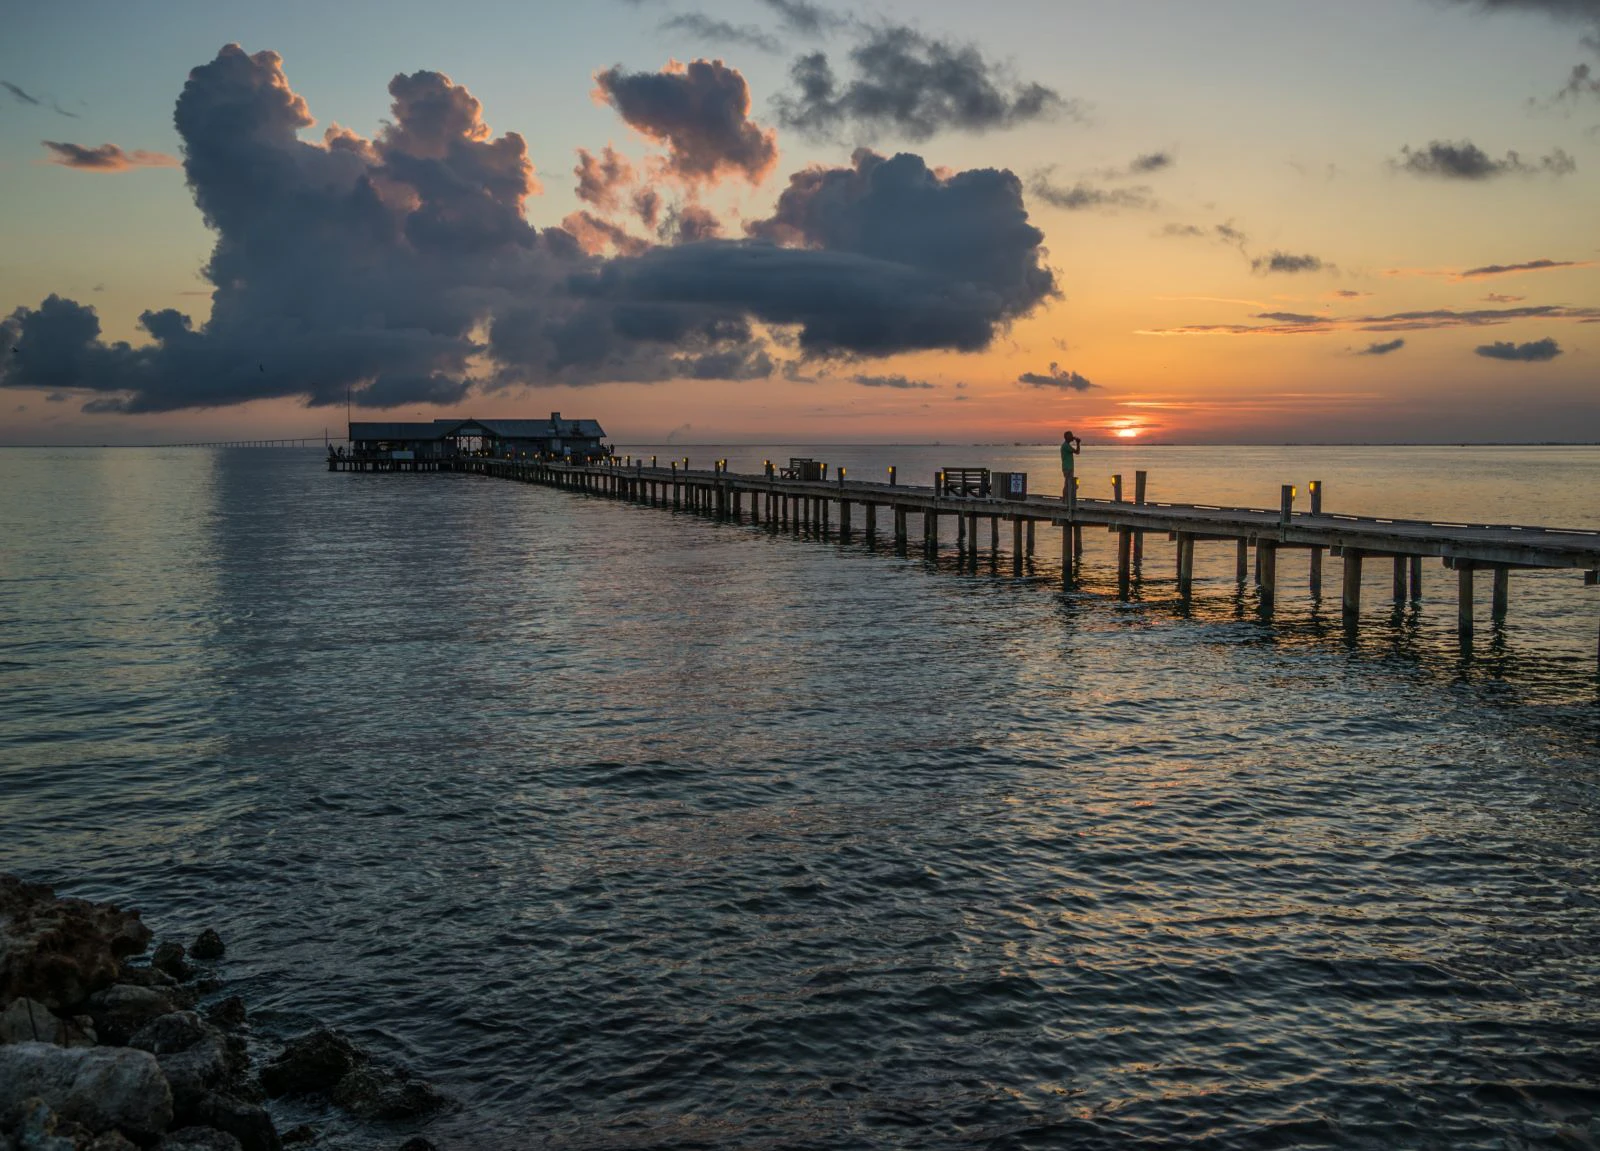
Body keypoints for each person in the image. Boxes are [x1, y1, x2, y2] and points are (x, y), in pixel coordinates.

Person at [1060, 429, 1081, 508]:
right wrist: (1078, 443)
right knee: (1067, 484)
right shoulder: (1066, 446)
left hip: (1068, 467)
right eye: (1070, 436)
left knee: (1068, 484)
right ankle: (1065, 500)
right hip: (1067, 468)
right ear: (1066, 437)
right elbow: (1077, 452)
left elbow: (1077, 452)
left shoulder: (1066, 445)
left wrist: (1077, 442)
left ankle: (1066, 500)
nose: (1072, 437)